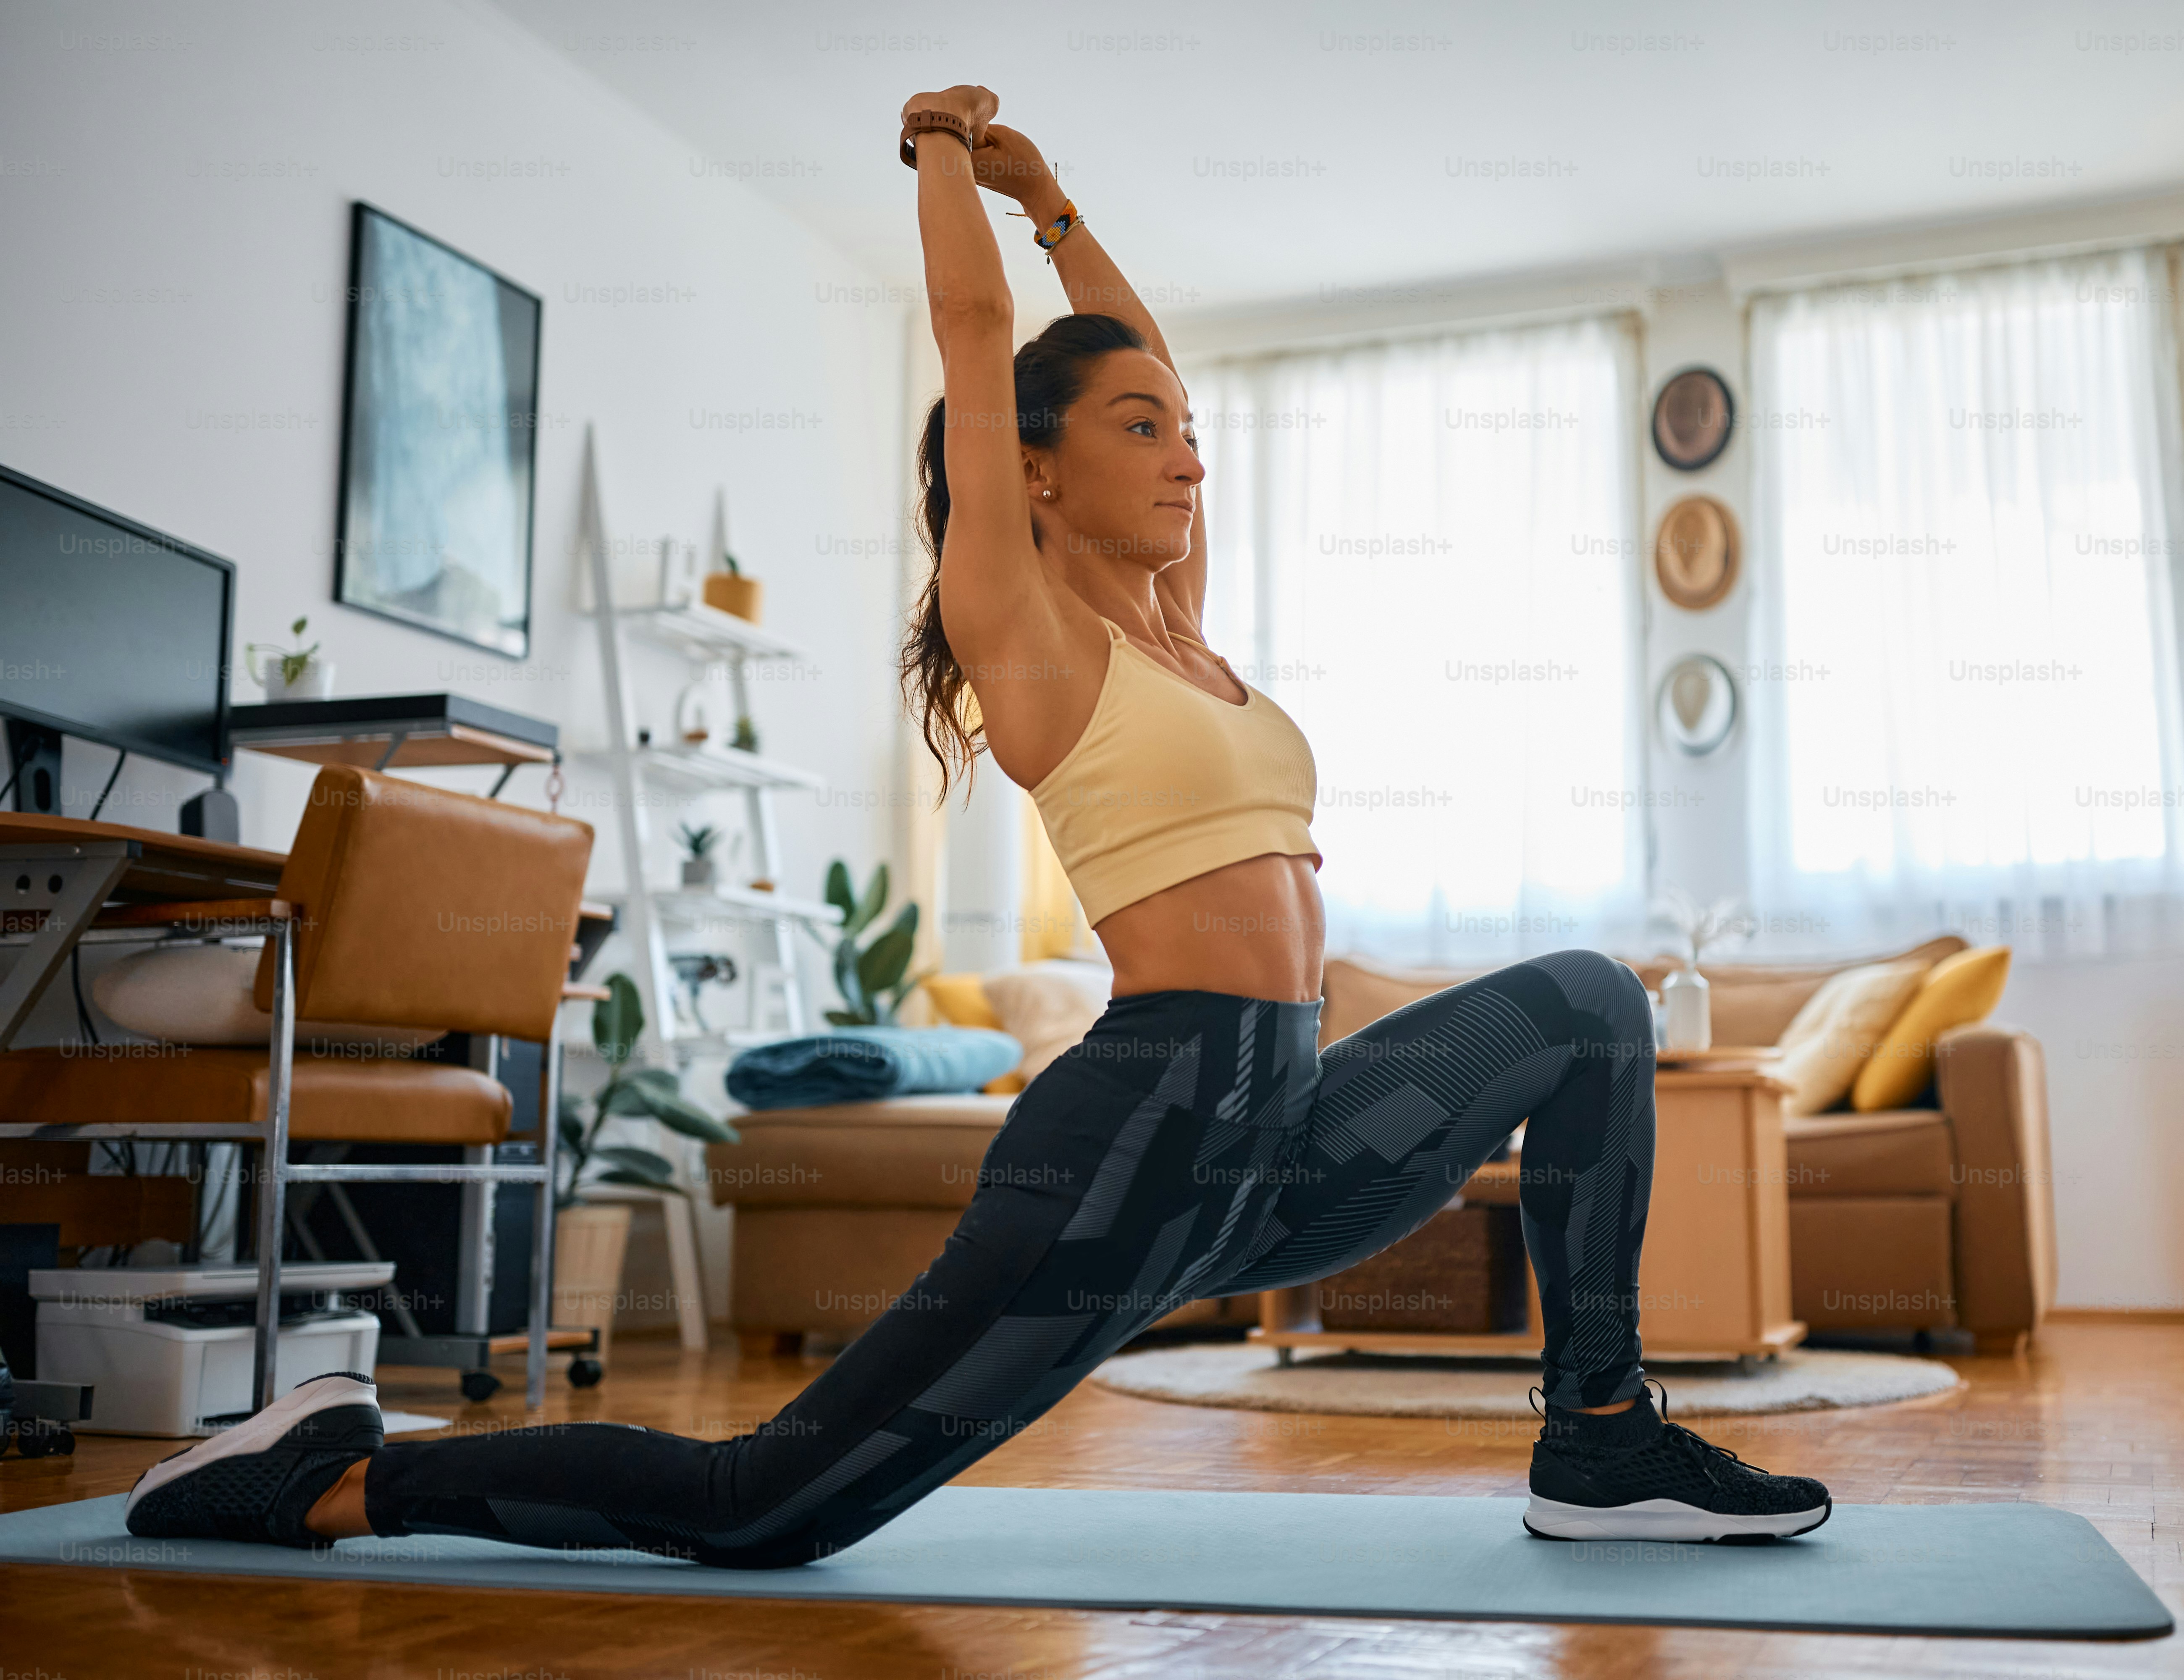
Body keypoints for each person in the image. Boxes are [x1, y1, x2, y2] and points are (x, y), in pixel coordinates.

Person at [124, 86, 1830, 1566]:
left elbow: (1129, 347)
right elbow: (967, 337)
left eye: (1193, 435)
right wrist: (946, 150)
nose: (1186, 463)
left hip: (1280, 1140)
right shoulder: (1033, 629)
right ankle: (330, 1479)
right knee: (762, 1505)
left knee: (1592, 1006)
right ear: (1029, 472)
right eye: (1141, 431)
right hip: (1131, 1151)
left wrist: (1060, 203)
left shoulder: (1185, 626)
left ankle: (1601, 1438)